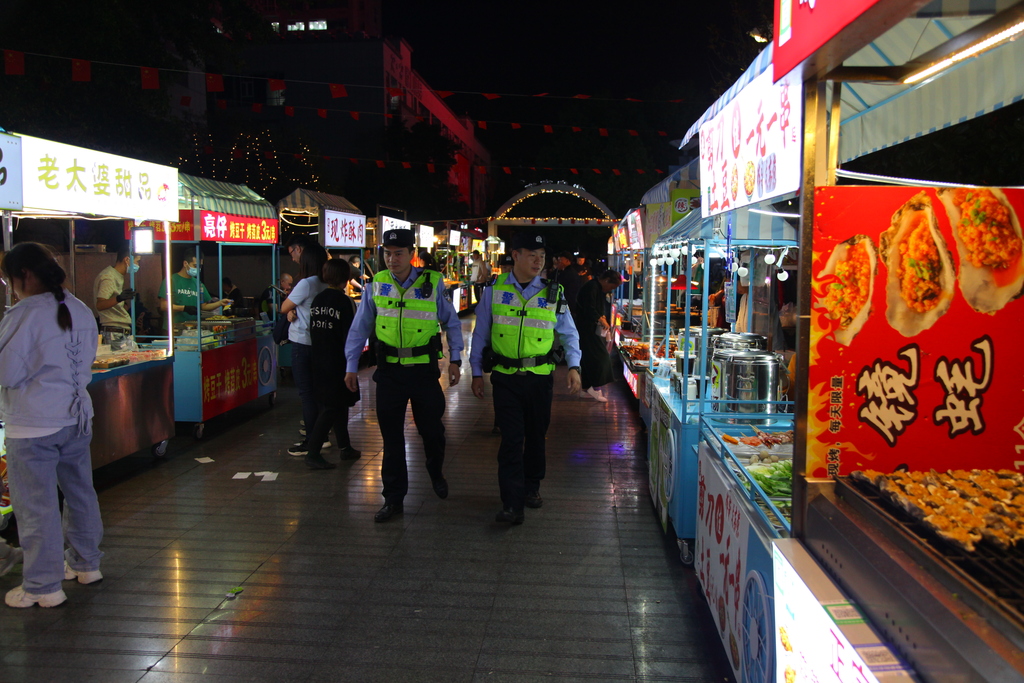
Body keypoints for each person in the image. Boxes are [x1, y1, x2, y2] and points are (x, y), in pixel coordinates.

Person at [0, 243, 103, 608]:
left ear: (24, 276)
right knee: (80, 493)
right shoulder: (79, 310)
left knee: (36, 505)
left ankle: (42, 586)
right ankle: (86, 563)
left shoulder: (24, 315)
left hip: (33, 425)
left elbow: (6, 372)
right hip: (77, 419)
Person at [344, 228, 463, 523]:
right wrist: (349, 365)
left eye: (398, 253)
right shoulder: (376, 285)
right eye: (387, 253)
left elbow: (452, 323)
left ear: (412, 254)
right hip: (389, 373)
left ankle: (435, 469)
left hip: (423, 371)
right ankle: (393, 499)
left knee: (432, 431)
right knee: (392, 438)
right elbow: (360, 328)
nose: (392, 259)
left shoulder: (432, 283)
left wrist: (456, 359)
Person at [470, 232, 582, 525]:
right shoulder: (494, 290)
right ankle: (511, 503)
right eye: (531, 254)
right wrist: (476, 371)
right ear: (515, 255)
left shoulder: (552, 293)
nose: (538, 261)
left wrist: (574, 367)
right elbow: (480, 333)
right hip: (505, 379)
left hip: (540, 378)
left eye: (542, 256)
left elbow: (569, 333)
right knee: (510, 440)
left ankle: (532, 487)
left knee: (535, 437)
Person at [303, 259, 361, 470]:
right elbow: (351, 336)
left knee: (338, 404)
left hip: (318, 358)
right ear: (345, 278)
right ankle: (313, 452)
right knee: (331, 407)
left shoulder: (318, 299)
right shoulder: (345, 302)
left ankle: (345, 447)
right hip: (338, 361)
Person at [281, 244, 330, 457]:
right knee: (318, 393)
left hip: (303, 342)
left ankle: (312, 440)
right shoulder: (325, 281)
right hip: (321, 343)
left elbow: (283, 307)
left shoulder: (307, 283)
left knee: (307, 394)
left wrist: (290, 310)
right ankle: (322, 436)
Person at [575, 270, 625, 402]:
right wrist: (600, 318)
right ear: (607, 280)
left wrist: (601, 316)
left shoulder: (595, 287)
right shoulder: (592, 287)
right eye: (613, 287)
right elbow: (589, 307)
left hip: (586, 327)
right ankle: (596, 388)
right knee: (600, 357)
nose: (611, 290)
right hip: (586, 328)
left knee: (588, 357)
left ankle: (586, 388)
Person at [158, 247, 232, 325]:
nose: (198, 269)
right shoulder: (171, 280)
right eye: (195, 266)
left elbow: (203, 306)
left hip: (193, 328)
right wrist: (184, 308)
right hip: (174, 328)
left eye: (200, 266)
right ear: (185, 263)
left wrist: (220, 303)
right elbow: (164, 306)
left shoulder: (198, 284)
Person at [93, 245, 139, 336]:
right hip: (114, 330)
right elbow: (100, 305)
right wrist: (119, 298)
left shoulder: (117, 276)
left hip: (118, 330)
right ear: (127, 260)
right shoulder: (109, 277)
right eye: (137, 261)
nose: (138, 265)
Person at [553, 252, 582, 319]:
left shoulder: (568, 274)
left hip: (567, 304)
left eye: (560, 260)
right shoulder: (566, 272)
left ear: (567, 261)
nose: (558, 262)